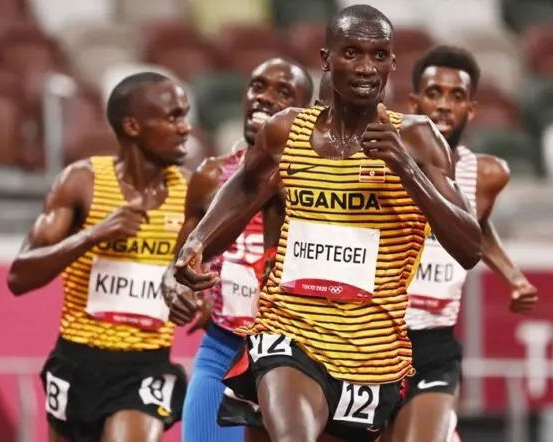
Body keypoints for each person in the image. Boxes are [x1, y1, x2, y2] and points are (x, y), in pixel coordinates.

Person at [171, 5, 483, 442]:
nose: (366, 67)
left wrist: (407, 169)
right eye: (352, 52)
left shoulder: (417, 138)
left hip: (371, 354)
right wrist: (198, 243)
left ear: (392, 63)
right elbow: (244, 187)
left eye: (379, 55)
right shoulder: (286, 132)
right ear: (326, 58)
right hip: (288, 332)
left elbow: (469, 248)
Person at [7, 72, 192, 442]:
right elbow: (19, 277)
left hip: (147, 364)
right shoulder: (82, 182)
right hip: (77, 361)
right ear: (133, 126)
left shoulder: (190, 191)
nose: (185, 128)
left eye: (185, 116)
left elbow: (199, 267)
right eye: (173, 117)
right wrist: (92, 235)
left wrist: (198, 298)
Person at [381, 46, 539, 442]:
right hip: (377, 334)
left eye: (456, 96)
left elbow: (476, 227)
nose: (444, 105)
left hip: (434, 341)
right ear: (414, 103)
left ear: (471, 109)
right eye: (434, 93)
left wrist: (513, 277)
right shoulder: (386, 165)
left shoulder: (485, 175)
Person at [162, 57, 314, 442]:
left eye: (283, 93)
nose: (264, 98)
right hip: (223, 349)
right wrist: (179, 289)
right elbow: (178, 264)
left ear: (306, 112)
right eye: (257, 87)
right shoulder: (210, 177)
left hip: (299, 359)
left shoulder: (320, 187)